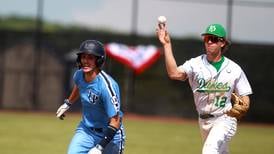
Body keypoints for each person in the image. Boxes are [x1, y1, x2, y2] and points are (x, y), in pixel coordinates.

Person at [156, 23, 252, 154]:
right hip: (203, 120)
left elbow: (245, 95)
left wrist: (244, 105)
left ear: (222, 43)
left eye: (213, 39)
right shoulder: (195, 64)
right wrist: (167, 45)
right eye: (207, 39)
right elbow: (174, 73)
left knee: (209, 150)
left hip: (225, 118)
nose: (209, 42)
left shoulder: (234, 69)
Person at [56, 40, 126, 154]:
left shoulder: (107, 86)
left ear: (99, 60)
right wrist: (67, 103)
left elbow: (115, 121)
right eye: (83, 57)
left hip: (110, 136)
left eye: (90, 58)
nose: (85, 61)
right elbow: (79, 86)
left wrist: (100, 147)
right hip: (86, 130)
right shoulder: (79, 75)